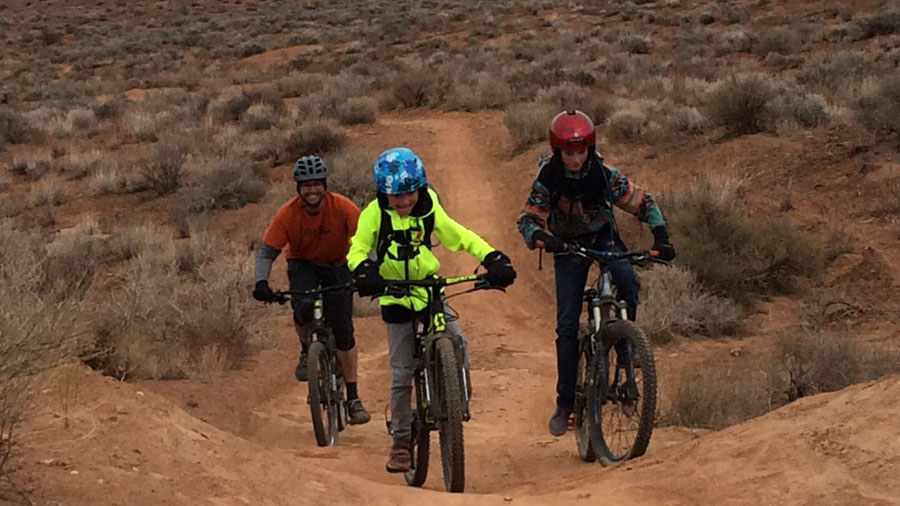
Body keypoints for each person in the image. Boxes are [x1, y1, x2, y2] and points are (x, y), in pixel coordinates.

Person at [346, 147, 517, 473]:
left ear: (420, 187)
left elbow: (459, 235)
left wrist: (491, 256)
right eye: (396, 195)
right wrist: (364, 271)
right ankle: (400, 440)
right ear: (383, 193)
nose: (404, 200)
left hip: (427, 289)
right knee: (400, 374)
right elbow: (357, 248)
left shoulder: (428, 207)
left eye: (410, 192)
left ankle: (454, 396)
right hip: (394, 296)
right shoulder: (374, 214)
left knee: (457, 339)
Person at [516, 110, 675, 437]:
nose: (575, 159)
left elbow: (641, 201)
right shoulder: (549, 177)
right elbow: (528, 218)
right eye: (568, 153)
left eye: (580, 152)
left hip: (603, 237)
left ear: (589, 149)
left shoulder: (603, 174)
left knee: (628, 279)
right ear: (558, 151)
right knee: (566, 324)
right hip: (567, 245)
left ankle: (628, 346)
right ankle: (565, 403)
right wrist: (541, 237)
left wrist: (661, 235)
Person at [252, 155, 371, 425]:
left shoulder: (342, 207)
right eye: (306, 185)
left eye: (317, 184)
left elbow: (366, 240)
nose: (312, 190)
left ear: (325, 185)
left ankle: (353, 397)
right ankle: (307, 349)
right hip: (303, 264)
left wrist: (369, 271)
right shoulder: (287, 213)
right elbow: (265, 252)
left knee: (343, 330)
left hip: (339, 264)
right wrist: (261, 283)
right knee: (302, 306)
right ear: (298, 188)